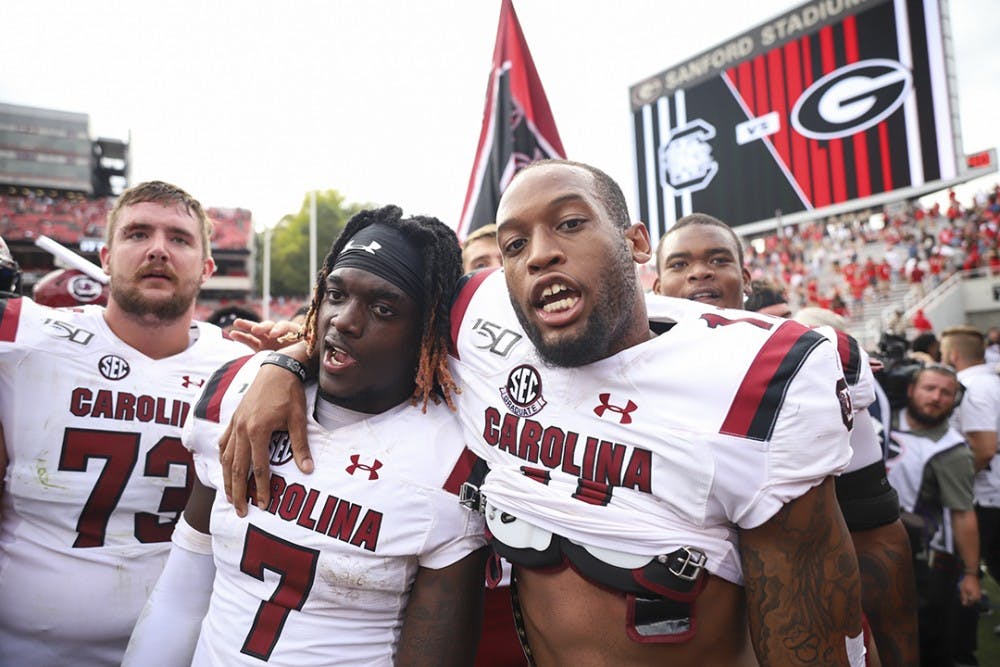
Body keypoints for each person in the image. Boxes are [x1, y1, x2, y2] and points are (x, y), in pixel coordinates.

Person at [223, 160, 868, 665]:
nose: (539, 253)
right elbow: (360, 324)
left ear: (636, 242)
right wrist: (288, 364)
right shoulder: (476, 321)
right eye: (513, 243)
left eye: (570, 223)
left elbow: (810, 633)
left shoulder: (755, 382)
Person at [124, 206, 487, 665]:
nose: (344, 321)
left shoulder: (452, 458)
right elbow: (182, 592)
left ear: (428, 330)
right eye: (336, 294)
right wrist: (284, 361)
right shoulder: (239, 389)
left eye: (383, 309)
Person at [0, 181, 249, 665]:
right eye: (138, 234)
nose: (158, 250)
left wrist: (290, 359)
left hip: (177, 648)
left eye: (179, 238)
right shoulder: (27, 336)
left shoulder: (244, 369)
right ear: (106, 258)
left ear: (207, 267)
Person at [654, 215, 918, 666]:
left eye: (718, 260)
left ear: (746, 278)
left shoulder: (812, 363)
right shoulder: (619, 372)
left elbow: (875, 531)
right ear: (657, 286)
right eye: (680, 264)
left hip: (807, 619)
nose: (699, 272)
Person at [887, 365, 981, 667]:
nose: (937, 398)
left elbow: (963, 513)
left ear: (954, 401)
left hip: (921, 562)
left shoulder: (952, 450)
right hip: (870, 547)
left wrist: (970, 573)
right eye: (929, 388)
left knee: (926, 640)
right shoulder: (882, 420)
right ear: (911, 390)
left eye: (946, 393)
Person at [940, 325, 1000, 662]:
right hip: (991, 489)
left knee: (978, 565)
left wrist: (958, 483)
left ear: (953, 355)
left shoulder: (973, 387)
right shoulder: (989, 380)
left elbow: (984, 448)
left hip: (988, 493)